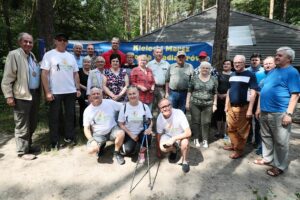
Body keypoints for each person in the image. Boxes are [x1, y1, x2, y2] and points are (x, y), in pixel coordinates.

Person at [255, 47, 300, 177]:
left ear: (289, 59)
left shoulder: (292, 72)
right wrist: (259, 108)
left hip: (280, 113)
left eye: (280, 55)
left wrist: (289, 114)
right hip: (265, 111)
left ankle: (279, 166)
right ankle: (268, 159)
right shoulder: (273, 71)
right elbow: (263, 90)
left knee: (281, 141)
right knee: (266, 137)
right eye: (276, 55)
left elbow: (295, 94)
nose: (276, 57)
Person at [1, 32, 41, 160]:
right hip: (21, 95)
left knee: (32, 122)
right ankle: (22, 151)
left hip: (33, 94)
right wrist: (9, 96)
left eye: (30, 42)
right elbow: (7, 78)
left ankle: (28, 145)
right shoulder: (14, 55)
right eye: (26, 41)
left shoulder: (32, 55)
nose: (28, 44)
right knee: (22, 124)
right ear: (20, 42)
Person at [41, 33, 81, 150]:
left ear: (67, 43)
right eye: (60, 40)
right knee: (54, 117)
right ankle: (54, 141)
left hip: (70, 91)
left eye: (65, 40)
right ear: (55, 41)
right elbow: (44, 74)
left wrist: (77, 88)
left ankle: (70, 137)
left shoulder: (70, 56)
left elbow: (75, 74)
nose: (62, 42)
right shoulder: (49, 55)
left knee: (70, 116)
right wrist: (47, 92)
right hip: (55, 92)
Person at [223, 55, 258, 159]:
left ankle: (239, 150)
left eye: (239, 62)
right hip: (231, 106)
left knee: (242, 131)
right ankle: (234, 145)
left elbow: (253, 92)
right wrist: (226, 105)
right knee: (231, 128)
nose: (237, 64)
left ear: (244, 63)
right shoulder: (232, 74)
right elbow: (229, 90)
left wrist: (250, 109)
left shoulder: (250, 75)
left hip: (244, 107)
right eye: (235, 63)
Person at [83, 87, 125, 165]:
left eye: (98, 93)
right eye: (94, 94)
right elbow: (86, 129)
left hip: (112, 129)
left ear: (102, 95)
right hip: (98, 134)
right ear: (90, 96)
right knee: (91, 150)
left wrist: (138, 106)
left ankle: (116, 153)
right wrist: (92, 141)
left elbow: (124, 106)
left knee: (121, 133)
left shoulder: (109, 102)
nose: (96, 95)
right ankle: (101, 145)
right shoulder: (87, 111)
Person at [186, 61, 218, 148]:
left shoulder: (213, 79)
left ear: (210, 69)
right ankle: (196, 138)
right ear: (200, 69)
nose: (205, 69)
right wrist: (187, 102)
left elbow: (215, 93)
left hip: (208, 104)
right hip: (195, 103)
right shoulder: (194, 78)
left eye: (207, 68)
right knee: (195, 122)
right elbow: (189, 91)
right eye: (203, 67)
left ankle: (205, 140)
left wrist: (215, 104)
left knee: (206, 122)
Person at [118, 86, 153, 163]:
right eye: (130, 94)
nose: (132, 95)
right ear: (127, 95)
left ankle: (142, 152)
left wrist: (149, 128)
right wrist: (131, 135)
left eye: (134, 93)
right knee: (128, 150)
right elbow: (121, 124)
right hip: (129, 133)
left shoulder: (144, 106)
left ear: (138, 94)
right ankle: (127, 147)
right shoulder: (124, 107)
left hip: (141, 131)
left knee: (148, 137)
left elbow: (150, 121)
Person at [156, 98, 192, 173]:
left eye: (168, 105)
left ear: (171, 106)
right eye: (163, 107)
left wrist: (174, 139)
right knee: (163, 147)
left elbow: (188, 132)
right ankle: (174, 150)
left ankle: (185, 161)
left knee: (185, 143)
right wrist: (159, 150)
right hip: (168, 135)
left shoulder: (179, 113)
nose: (166, 108)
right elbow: (159, 134)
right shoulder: (159, 118)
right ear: (160, 109)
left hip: (181, 135)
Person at [253, 56, 276, 155]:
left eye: (270, 63)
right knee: (262, 130)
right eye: (266, 63)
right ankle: (261, 147)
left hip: (276, 109)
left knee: (274, 132)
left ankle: (273, 152)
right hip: (263, 106)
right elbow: (260, 93)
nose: (267, 65)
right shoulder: (260, 76)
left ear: (275, 64)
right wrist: (258, 108)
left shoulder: (279, 75)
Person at [246, 53, 264, 146]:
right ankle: (248, 139)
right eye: (252, 60)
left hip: (260, 98)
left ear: (260, 61)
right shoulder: (246, 71)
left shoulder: (264, 71)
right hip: (248, 98)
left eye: (256, 60)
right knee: (247, 119)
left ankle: (257, 141)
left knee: (258, 120)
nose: (254, 61)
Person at [147, 47, 170, 112]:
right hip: (152, 90)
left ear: (162, 54)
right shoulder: (149, 64)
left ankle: (162, 122)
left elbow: (168, 80)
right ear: (153, 54)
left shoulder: (167, 64)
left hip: (162, 89)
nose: (159, 54)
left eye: (160, 52)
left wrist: (167, 92)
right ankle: (152, 122)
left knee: (162, 107)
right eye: (157, 52)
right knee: (151, 108)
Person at [215, 60, 233, 139]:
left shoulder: (233, 75)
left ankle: (225, 132)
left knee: (226, 115)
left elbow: (233, 87)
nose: (226, 65)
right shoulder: (218, 75)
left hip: (229, 98)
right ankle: (218, 132)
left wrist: (226, 95)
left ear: (231, 66)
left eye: (228, 64)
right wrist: (218, 94)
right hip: (219, 97)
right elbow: (215, 86)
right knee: (219, 115)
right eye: (224, 64)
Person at [78, 56, 91, 128]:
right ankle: (82, 125)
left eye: (88, 62)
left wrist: (90, 90)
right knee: (83, 107)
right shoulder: (79, 71)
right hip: (82, 91)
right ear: (82, 63)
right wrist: (86, 88)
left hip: (91, 92)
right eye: (85, 62)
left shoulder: (93, 72)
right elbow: (77, 82)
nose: (86, 63)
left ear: (90, 63)